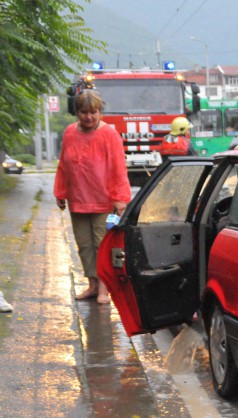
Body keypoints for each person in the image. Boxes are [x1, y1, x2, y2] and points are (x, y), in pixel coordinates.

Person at [54, 89, 131, 304]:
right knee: (84, 245)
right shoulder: (70, 133)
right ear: (76, 112)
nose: (89, 117)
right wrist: (60, 192)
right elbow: (63, 164)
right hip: (77, 199)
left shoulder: (109, 134)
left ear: (100, 112)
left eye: (93, 112)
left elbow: (118, 167)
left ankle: (104, 290)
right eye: (84, 112)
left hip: (103, 201)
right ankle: (92, 284)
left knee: (101, 245)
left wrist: (120, 198)